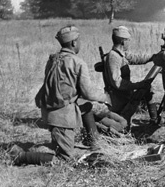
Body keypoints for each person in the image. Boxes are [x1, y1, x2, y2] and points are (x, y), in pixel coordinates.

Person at [14, 26, 109, 166]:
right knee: (65, 160)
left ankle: (90, 141)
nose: (80, 43)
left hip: (50, 111)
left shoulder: (52, 60)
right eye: (79, 40)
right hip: (63, 117)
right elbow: (87, 92)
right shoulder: (77, 62)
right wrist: (105, 97)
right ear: (74, 43)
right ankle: (22, 157)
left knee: (85, 107)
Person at [103, 26, 158, 125]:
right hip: (119, 99)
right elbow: (117, 83)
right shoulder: (114, 57)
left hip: (125, 94)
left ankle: (154, 120)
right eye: (128, 40)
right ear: (123, 41)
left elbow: (136, 58)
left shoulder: (120, 54)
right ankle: (153, 121)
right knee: (146, 87)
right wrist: (137, 85)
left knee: (148, 88)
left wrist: (154, 57)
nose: (130, 42)